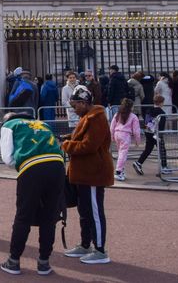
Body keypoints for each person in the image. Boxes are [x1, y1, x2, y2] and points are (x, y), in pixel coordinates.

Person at [0, 111, 65, 276]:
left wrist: (22, 164)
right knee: (49, 216)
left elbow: (7, 158)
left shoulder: (9, 125)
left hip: (32, 167)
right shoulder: (43, 124)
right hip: (57, 166)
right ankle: (44, 262)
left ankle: (13, 261)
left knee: (23, 215)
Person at [61, 85, 114, 265]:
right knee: (84, 211)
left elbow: (88, 145)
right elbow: (80, 137)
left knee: (95, 212)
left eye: (75, 105)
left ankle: (100, 249)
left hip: (93, 172)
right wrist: (67, 137)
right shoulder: (87, 116)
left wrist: (66, 145)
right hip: (84, 173)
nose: (74, 109)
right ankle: (85, 244)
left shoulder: (97, 118)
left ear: (84, 103)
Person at [133, 94, 167, 176]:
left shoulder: (148, 110)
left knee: (148, 149)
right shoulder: (162, 113)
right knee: (162, 150)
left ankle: (139, 162)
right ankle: (164, 167)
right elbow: (161, 126)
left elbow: (146, 122)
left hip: (148, 132)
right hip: (156, 134)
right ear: (161, 103)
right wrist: (159, 135)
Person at [109, 97, 141, 182]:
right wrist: (138, 141)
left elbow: (112, 126)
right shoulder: (133, 117)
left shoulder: (117, 114)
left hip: (117, 134)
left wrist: (111, 136)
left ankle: (121, 170)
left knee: (120, 153)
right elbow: (136, 131)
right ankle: (118, 171)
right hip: (125, 135)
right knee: (123, 154)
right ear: (130, 107)